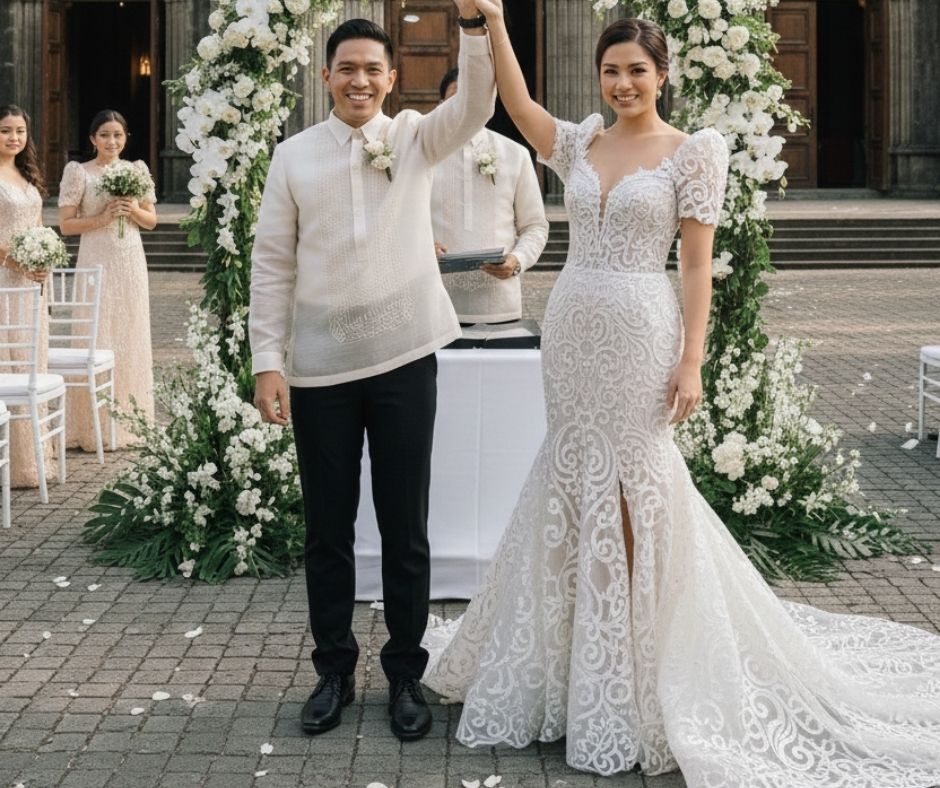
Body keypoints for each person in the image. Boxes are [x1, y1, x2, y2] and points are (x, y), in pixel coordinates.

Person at [422, 5, 940, 786]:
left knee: (637, 482)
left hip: (640, 328)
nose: (623, 83)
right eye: (610, 70)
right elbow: (517, 107)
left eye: (636, 70)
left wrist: (692, 358)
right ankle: (571, 658)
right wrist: (491, 19)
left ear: (663, 75)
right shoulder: (581, 141)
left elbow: (696, 266)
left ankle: (634, 655)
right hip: (570, 330)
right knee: (570, 472)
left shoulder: (690, 154)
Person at [248, 13, 495, 741]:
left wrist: (477, 27)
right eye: (346, 68)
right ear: (325, 77)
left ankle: (404, 673)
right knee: (327, 530)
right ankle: (332, 671)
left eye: (373, 70)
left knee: (403, 525)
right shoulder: (293, 156)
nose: (360, 80)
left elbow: (479, 102)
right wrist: (270, 360)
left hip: (404, 358)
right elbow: (272, 264)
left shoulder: (415, 138)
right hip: (321, 368)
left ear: (391, 79)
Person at [58, 109, 157, 450]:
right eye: (104, 135)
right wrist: (101, 217)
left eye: (117, 135)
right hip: (95, 260)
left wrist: (132, 211)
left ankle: (132, 421)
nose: (111, 141)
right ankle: (90, 427)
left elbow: (151, 221)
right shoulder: (79, 173)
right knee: (96, 333)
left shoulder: (136, 170)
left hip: (129, 260)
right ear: (92, 139)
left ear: (126, 137)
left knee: (130, 334)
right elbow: (66, 225)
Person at [431, 67, 548, 324]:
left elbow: (535, 226)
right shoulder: (425, 155)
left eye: (473, 98)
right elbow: (402, 221)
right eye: (455, 98)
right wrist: (422, 246)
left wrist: (517, 260)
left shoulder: (515, 154)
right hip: (435, 304)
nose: (465, 106)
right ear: (441, 105)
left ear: (488, 103)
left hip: (500, 303)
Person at [0, 104, 55, 488]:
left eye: (20, 131)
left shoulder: (26, 173)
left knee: (29, 361)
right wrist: (16, 261)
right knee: (8, 362)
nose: (14, 138)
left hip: (31, 283)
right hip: (4, 278)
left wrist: (44, 257)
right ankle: (8, 460)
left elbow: (37, 225)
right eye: (5, 130)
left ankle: (28, 458)